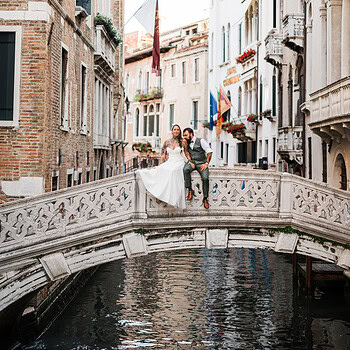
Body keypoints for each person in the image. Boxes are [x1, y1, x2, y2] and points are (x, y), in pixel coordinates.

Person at [137, 124, 190, 209]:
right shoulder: (167, 142)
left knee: (172, 171)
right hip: (170, 161)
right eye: (174, 129)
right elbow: (163, 154)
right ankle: (161, 194)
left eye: (178, 130)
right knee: (161, 169)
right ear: (172, 131)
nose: (176, 131)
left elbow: (186, 153)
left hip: (179, 161)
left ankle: (171, 197)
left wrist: (190, 161)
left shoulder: (183, 142)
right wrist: (160, 164)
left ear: (179, 131)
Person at [183, 127, 213, 209]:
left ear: (191, 134)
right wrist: (189, 161)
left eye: (186, 135)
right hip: (192, 162)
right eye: (183, 135)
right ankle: (190, 190)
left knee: (205, 178)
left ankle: (205, 198)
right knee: (185, 169)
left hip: (201, 163)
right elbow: (186, 152)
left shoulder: (201, 141)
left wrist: (206, 163)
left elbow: (209, 152)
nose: (184, 137)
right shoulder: (186, 142)